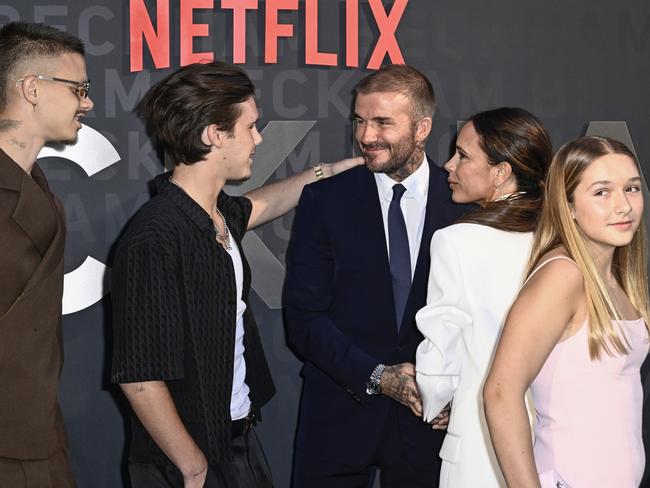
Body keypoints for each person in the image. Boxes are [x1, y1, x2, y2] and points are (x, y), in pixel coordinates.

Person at [110, 61, 362, 487]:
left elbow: (262, 204)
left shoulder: (216, 213)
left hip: (236, 440)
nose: (258, 139)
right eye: (250, 127)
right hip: (184, 461)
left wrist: (325, 174)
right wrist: (193, 467)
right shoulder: (155, 237)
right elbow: (139, 378)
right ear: (214, 134)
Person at [283, 64, 468, 487]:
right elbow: (304, 318)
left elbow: (486, 322)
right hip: (338, 417)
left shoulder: (464, 206)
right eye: (361, 121)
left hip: (432, 425)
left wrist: (455, 395)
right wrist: (378, 378)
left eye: (383, 122)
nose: (366, 136)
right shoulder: (325, 200)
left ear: (422, 128)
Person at [484, 136, 650, 488]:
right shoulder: (564, 275)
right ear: (568, 204)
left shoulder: (617, 278)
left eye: (632, 188)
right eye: (602, 192)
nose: (623, 206)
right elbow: (500, 392)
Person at [414, 107, 551, 488]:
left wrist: (433, 399)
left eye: (463, 155)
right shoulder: (562, 238)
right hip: (554, 441)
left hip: (481, 445)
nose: (447, 165)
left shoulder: (457, 242)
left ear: (501, 172)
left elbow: (439, 363)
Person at [0, 21, 94, 487]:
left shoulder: (38, 187)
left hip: (39, 435)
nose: (88, 102)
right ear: (32, 88)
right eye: (79, 87)